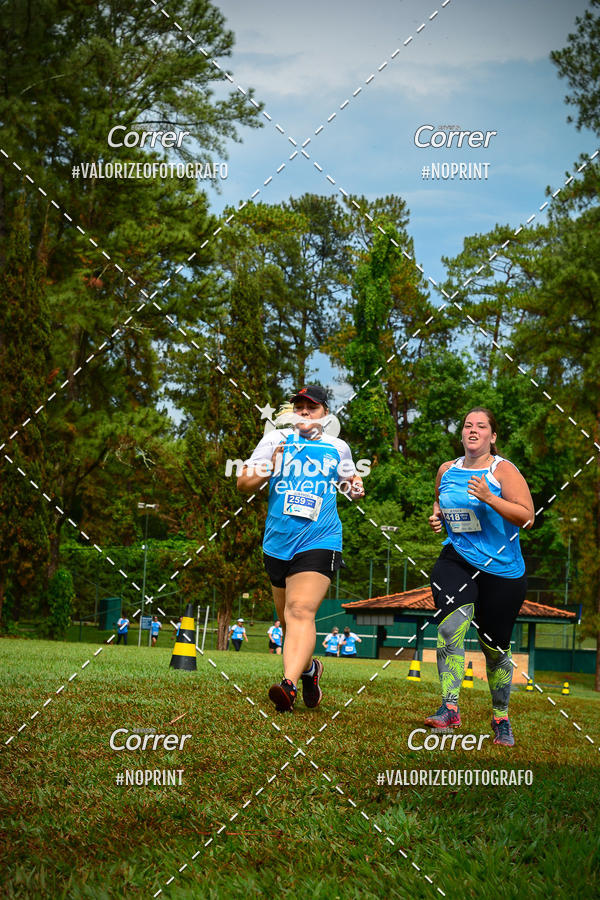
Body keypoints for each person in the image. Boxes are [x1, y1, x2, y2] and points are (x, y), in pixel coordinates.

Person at [237, 385, 365, 712]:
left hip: (320, 540)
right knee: (286, 621)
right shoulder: (274, 440)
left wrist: (355, 488)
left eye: (313, 407)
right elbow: (243, 483)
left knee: (299, 612)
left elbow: (350, 486)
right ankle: (310, 670)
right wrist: (271, 465)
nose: (305, 412)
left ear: (326, 414)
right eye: (300, 406)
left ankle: (288, 686)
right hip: (278, 544)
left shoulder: (338, 447)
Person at [426, 407, 534, 747]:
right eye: (468, 426)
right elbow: (440, 503)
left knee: (494, 648)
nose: (473, 430)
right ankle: (450, 708)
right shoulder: (446, 470)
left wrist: (490, 498)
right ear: (461, 434)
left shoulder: (503, 471)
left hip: (502, 570)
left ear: (493, 436)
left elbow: (527, 517)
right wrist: (437, 517)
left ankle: (500, 716)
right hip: (456, 559)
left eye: (481, 426)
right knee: (450, 626)